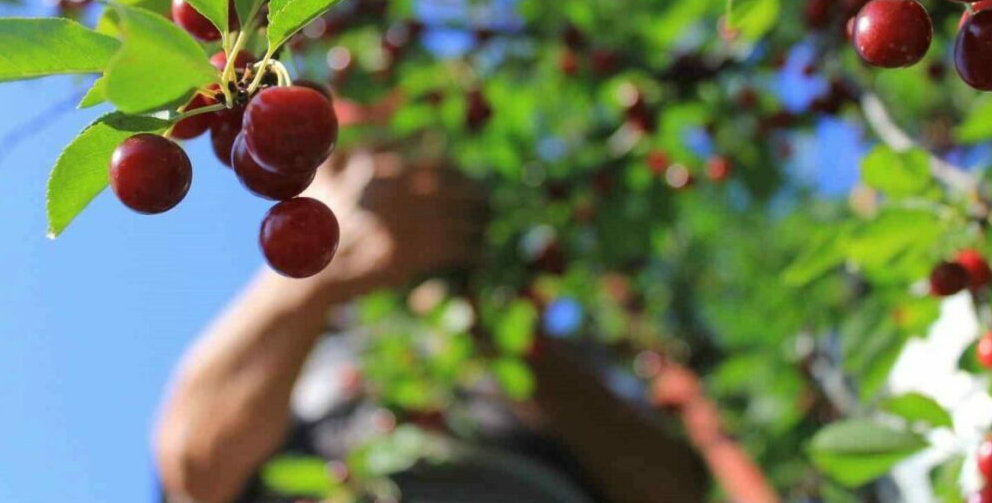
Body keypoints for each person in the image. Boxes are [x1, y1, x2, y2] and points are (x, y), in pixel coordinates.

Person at [153, 149, 712, 503]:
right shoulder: (304, 351)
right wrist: (320, 266)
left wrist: (494, 326)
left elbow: (673, 490)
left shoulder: (545, 353)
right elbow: (193, 468)